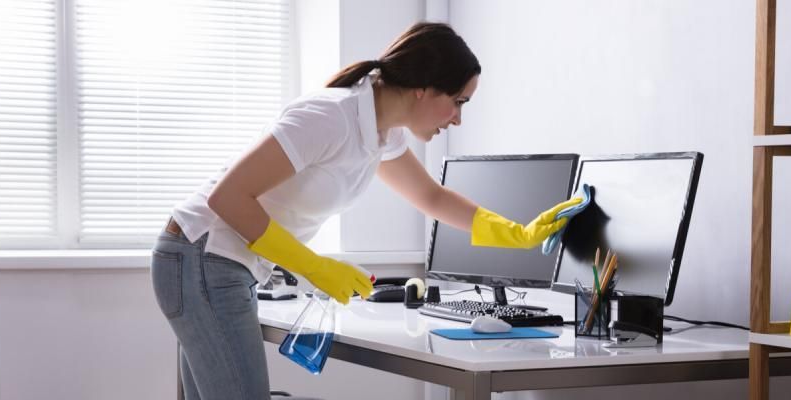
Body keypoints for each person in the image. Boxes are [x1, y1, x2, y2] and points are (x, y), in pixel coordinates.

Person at [150, 22, 581, 400]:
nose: (458, 119)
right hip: (201, 256)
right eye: (459, 101)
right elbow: (227, 198)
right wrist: (314, 267)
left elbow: (432, 198)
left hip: (216, 263)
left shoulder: (380, 133)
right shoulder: (330, 117)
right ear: (423, 88)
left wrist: (517, 233)